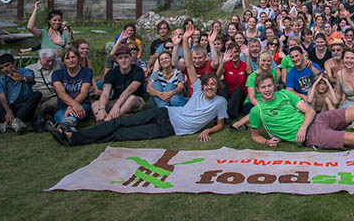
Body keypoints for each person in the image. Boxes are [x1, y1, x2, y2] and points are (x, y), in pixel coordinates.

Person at [48, 29, 227, 146]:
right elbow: (189, 66)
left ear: (217, 86)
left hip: (170, 129)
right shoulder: (197, 89)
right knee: (118, 122)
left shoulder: (220, 102)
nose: (210, 86)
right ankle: (71, 134)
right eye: (207, 84)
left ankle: (74, 138)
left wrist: (207, 129)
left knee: (122, 134)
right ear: (202, 86)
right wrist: (185, 41)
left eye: (213, 84)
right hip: (166, 113)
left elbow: (220, 124)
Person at [248, 72, 354, 151]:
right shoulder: (258, 111)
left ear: (274, 85)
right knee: (350, 138)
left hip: (315, 120)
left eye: (270, 85)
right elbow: (254, 135)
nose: (268, 89)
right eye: (263, 87)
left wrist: (302, 126)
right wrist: (265, 142)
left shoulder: (284, 94)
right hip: (310, 136)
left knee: (353, 110)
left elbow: (309, 111)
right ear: (258, 89)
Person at [0, 53, 42, 134]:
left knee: (37, 94)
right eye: (2, 68)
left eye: (7, 65)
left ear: (14, 63)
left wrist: (22, 79)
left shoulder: (25, 71)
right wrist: (8, 112)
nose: (5, 69)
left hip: (23, 108)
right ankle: (13, 123)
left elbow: (30, 79)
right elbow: (1, 96)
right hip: (6, 109)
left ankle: (5, 125)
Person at [92, 47, 146, 122]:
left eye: (126, 57)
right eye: (120, 58)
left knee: (131, 98)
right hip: (116, 100)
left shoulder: (138, 71)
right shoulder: (111, 73)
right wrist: (102, 108)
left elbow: (129, 90)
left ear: (131, 58)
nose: (123, 60)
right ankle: (100, 119)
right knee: (95, 104)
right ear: (116, 60)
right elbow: (105, 93)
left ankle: (109, 120)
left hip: (135, 100)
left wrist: (116, 106)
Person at [51, 47, 93, 132]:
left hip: (82, 105)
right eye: (67, 58)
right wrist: (74, 105)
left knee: (71, 115)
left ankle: (64, 127)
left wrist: (73, 106)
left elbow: (84, 92)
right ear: (63, 61)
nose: (71, 60)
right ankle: (70, 130)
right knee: (59, 116)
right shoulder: (57, 74)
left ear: (78, 59)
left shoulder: (87, 71)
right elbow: (61, 93)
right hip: (63, 108)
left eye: (73, 57)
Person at [25, 47, 58, 118]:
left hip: (60, 94)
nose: (50, 63)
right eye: (48, 61)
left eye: (53, 60)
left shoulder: (58, 63)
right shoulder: (30, 70)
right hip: (44, 101)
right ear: (40, 59)